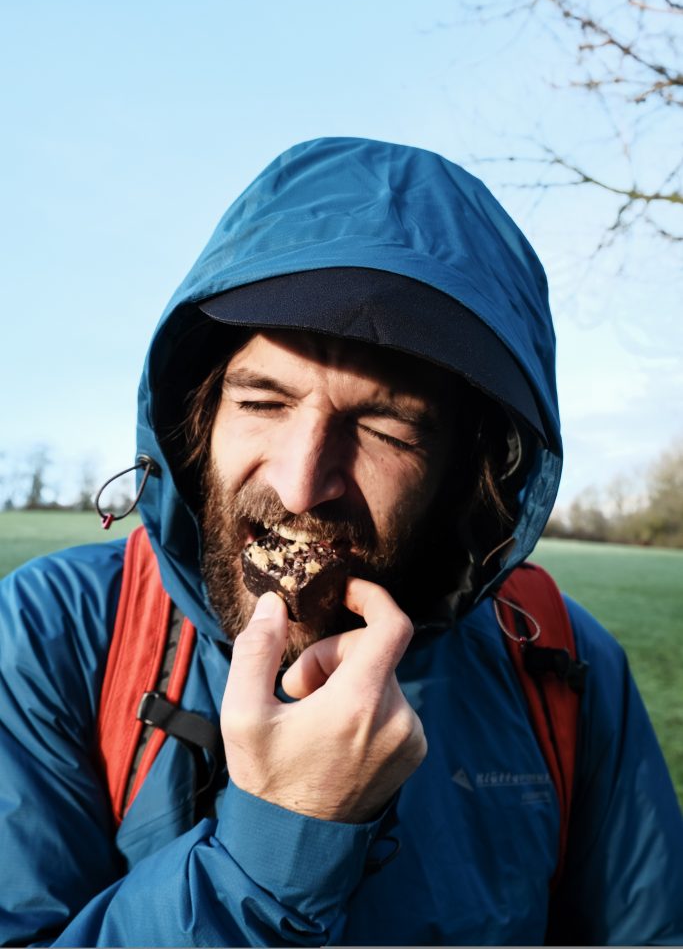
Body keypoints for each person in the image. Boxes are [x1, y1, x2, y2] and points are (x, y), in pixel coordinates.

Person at [0, 137, 681, 947]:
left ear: (465, 473)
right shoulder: (59, 631)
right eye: (263, 401)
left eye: (384, 426)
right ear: (198, 420)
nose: (300, 482)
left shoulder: (563, 666)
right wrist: (282, 845)